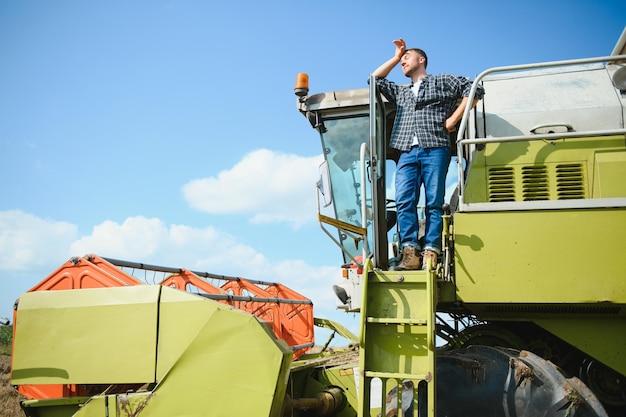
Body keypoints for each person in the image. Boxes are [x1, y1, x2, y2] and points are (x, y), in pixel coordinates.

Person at [372, 38, 485, 270]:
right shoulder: (400, 92)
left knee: (434, 202)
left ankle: (431, 251)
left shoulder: (441, 81)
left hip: (435, 147)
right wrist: (396, 56)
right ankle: (410, 253)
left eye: (407, 57)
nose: (403, 61)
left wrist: (454, 118)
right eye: (401, 60)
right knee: (404, 201)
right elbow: (374, 79)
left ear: (421, 60)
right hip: (407, 152)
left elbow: (475, 89)